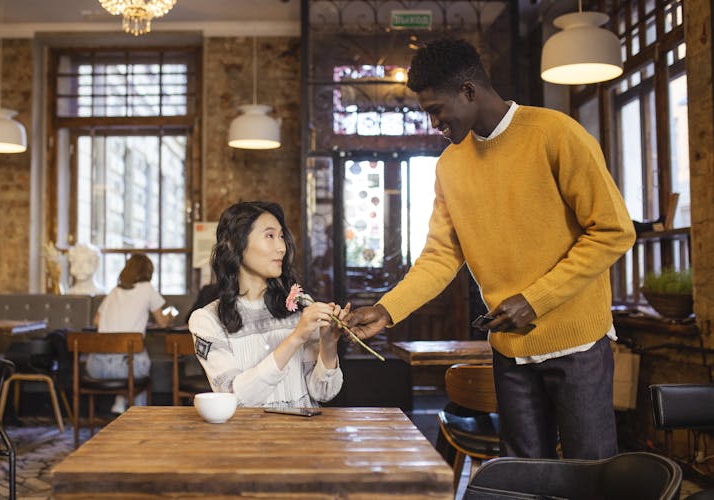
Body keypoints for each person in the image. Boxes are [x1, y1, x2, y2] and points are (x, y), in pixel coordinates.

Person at [347, 38, 636, 460]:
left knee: (590, 476)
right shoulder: (449, 165)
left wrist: (534, 300)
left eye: (435, 110)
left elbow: (613, 231)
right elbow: (441, 256)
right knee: (521, 478)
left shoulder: (556, 134)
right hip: (509, 350)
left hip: (578, 345)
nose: (434, 124)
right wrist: (388, 308)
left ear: (468, 91)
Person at [188, 201, 346, 408]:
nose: (281, 247)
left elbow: (323, 393)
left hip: (304, 436)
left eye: (281, 237)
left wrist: (328, 343)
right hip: (250, 438)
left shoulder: (299, 308)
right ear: (234, 244)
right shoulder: (207, 320)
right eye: (269, 236)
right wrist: (296, 337)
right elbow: (234, 397)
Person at [89, 253, 174, 414]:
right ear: (148, 272)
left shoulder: (114, 291)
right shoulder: (147, 289)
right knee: (138, 363)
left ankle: (121, 400)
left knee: (132, 358)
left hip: (97, 365)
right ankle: (138, 417)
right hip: (127, 367)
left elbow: (96, 321)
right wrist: (170, 317)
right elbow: (162, 322)